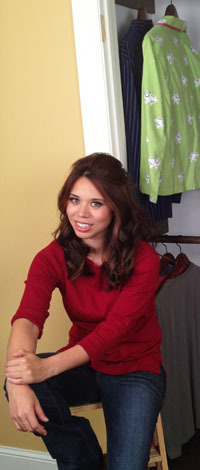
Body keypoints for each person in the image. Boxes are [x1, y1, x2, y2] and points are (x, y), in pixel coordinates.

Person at [4, 153, 165, 470]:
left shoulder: (145, 259)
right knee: (19, 380)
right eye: (75, 199)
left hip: (136, 368)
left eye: (96, 203)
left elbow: (113, 330)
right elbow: (28, 318)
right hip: (84, 364)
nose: (81, 213)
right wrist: (17, 381)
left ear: (116, 208)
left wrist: (45, 368)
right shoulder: (51, 257)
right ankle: (84, 458)